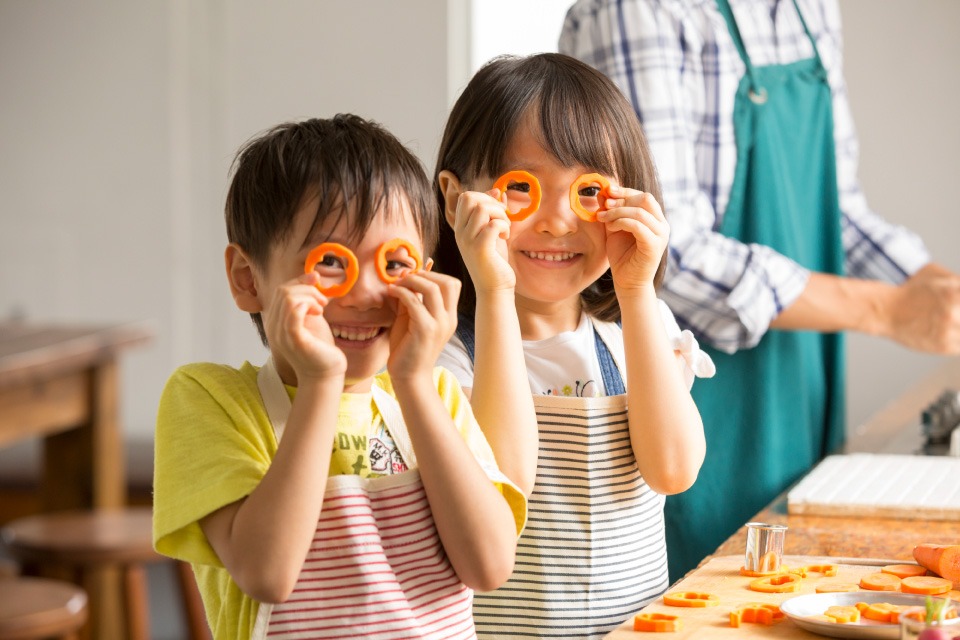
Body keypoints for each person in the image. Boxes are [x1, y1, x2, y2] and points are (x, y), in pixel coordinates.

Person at [559, 0, 960, 580]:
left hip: (797, 385)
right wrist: (886, 309)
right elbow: (670, 248)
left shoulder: (810, 8)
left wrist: (930, 285)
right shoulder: (636, 11)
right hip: (697, 398)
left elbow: (837, 209)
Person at [152, 114, 527, 640]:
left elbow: (489, 566)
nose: (366, 293)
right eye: (332, 262)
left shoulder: (435, 392)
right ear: (247, 278)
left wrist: (415, 384)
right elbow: (267, 574)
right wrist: (321, 384)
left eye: (395, 265)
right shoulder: (209, 399)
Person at [433, 53, 716, 639]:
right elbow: (502, 483)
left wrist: (637, 291)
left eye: (588, 192)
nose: (559, 222)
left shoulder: (636, 330)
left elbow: (674, 470)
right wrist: (494, 291)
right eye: (522, 189)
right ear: (455, 197)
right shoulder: (444, 354)